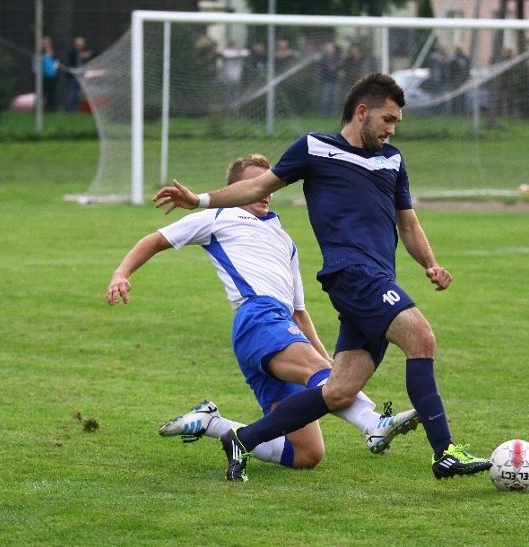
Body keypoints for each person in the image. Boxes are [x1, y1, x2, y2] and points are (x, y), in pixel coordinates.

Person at [153, 73, 492, 483]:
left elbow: (408, 224)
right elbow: (258, 185)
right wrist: (200, 200)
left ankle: (243, 438)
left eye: (397, 122)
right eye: (387, 119)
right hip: (352, 275)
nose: (392, 129)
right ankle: (446, 452)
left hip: (377, 277)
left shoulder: (394, 160)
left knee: (338, 391)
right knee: (421, 338)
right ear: (362, 112)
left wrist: (430, 264)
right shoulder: (315, 148)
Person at [107, 153, 421, 471]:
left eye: (269, 184)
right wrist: (122, 273)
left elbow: (299, 313)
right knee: (326, 380)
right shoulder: (217, 216)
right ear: (237, 190)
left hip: (279, 327)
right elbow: (155, 239)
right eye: (257, 184)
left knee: (307, 454)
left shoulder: (285, 240)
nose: (266, 190)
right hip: (258, 318)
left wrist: (325, 357)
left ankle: (211, 424)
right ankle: (373, 423)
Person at [64, 36, 93, 112]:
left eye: (81, 45)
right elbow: (69, 63)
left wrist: (87, 55)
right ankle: (70, 109)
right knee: (73, 93)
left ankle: (79, 109)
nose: (80, 47)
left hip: (83, 76)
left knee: (81, 94)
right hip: (74, 76)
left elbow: (94, 53)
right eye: (78, 45)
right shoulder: (72, 52)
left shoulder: (87, 51)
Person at [38, 36, 59, 112]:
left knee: (52, 93)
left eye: (47, 43)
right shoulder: (40, 53)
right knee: (42, 93)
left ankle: (51, 108)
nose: (46, 45)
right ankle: (40, 108)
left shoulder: (53, 53)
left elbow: (56, 63)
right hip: (43, 76)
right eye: (44, 43)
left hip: (52, 76)